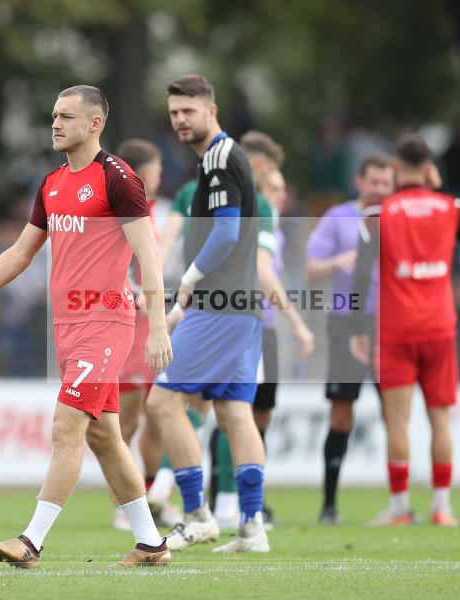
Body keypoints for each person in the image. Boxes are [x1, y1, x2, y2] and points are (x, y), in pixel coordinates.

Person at [0, 85, 173, 568]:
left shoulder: (118, 178)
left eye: (66, 116)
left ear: (95, 124)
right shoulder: (50, 183)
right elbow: (21, 252)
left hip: (107, 320)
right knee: (104, 437)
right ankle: (152, 544)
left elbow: (148, 253)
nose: (55, 123)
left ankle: (30, 542)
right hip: (68, 326)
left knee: (66, 426)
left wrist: (157, 327)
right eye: (53, 115)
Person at [144, 74, 268, 553]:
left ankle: (196, 515)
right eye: (174, 112)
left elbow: (227, 233)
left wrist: (189, 283)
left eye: (188, 111)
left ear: (210, 111)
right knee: (235, 413)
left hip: (222, 305)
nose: (179, 120)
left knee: (161, 402)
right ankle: (252, 528)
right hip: (243, 306)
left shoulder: (217, 159)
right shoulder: (226, 157)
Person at [208, 131, 315, 530]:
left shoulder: (266, 218)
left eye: (282, 186)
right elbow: (264, 272)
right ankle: (225, 500)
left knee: (255, 416)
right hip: (244, 324)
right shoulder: (254, 210)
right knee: (232, 414)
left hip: (260, 327)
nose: (280, 194)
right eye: (273, 183)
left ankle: (245, 499)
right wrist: (299, 323)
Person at [370, 133, 460, 527]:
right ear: (429, 167)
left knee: (397, 421)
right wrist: (438, 190)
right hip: (439, 326)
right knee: (440, 420)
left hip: (396, 330)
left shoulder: (383, 211)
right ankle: (442, 508)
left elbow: (365, 257)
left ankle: (400, 510)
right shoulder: (449, 207)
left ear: (396, 169)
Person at [305, 154, 395, 523]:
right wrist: (336, 261)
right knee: (342, 413)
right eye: (374, 182)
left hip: (390, 325)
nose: (379, 190)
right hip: (345, 321)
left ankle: (399, 505)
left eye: (386, 184)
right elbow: (311, 270)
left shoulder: (399, 220)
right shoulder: (338, 218)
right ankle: (329, 505)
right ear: (361, 182)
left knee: (396, 414)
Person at [109, 137, 178, 530]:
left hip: (157, 320)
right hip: (128, 322)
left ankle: (152, 496)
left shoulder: (164, 213)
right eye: (155, 170)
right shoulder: (116, 210)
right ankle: (125, 504)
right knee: (126, 419)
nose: (158, 177)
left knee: (157, 413)